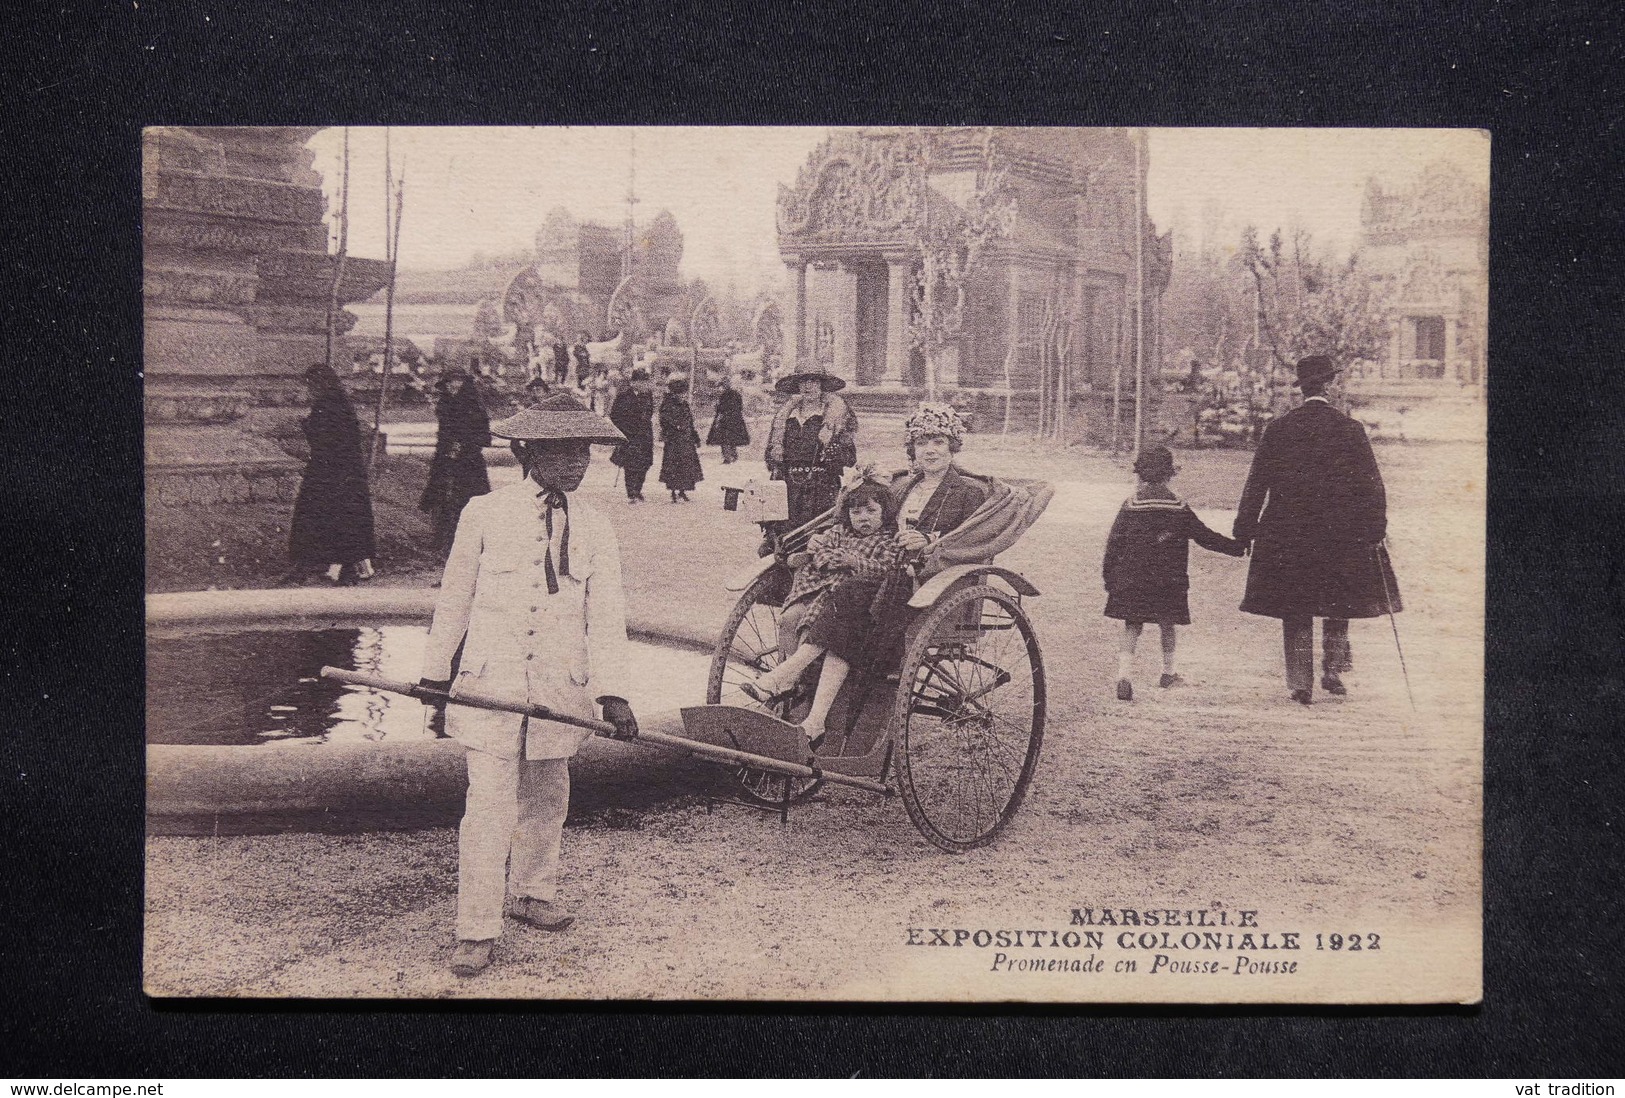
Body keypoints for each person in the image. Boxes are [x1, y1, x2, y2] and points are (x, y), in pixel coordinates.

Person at [417, 392, 641, 978]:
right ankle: (476, 928)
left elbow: (606, 616)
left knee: (548, 797)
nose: (576, 463)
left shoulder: (595, 526)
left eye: (584, 452)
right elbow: (454, 601)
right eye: (562, 452)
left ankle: (532, 893)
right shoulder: (484, 513)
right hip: (491, 684)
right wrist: (435, 678)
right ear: (529, 451)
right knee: (487, 807)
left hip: (558, 690)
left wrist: (613, 694)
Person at [1233, 354, 1402, 705]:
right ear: (1329, 385)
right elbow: (1372, 485)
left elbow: (1256, 483)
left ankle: (1300, 682)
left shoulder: (1278, 429)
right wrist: (1375, 527)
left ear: (1303, 388)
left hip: (1288, 531)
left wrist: (1245, 528)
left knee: (1296, 603)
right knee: (1339, 598)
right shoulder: (1350, 430)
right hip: (1341, 531)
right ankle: (1333, 669)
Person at [742, 477, 905, 744]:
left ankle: (787, 682)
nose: (863, 518)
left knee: (823, 622)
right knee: (790, 618)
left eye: (871, 511)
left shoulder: (888, 540)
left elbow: (887, 570)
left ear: (885, 513)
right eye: (856, 512)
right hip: (823, 587)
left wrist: (853, 561)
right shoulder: (839, 532)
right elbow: (820, 552)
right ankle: (791, 686)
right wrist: (826, 556)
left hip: (857, 599)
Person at [1102, 444, 1245, 701]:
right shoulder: (1178, 506)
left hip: (1133, 578)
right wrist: (1235, 547)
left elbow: (1114, 543)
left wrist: (1110, 577)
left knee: (1132, 625)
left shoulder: (1130, 505)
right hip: (1169, 579)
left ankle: (1124, 675)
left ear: (1140, 474)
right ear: (1169, 474)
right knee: (1167, 624)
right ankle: (1168, 673)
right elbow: (1204, 536)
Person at [289, 363, 376, 584]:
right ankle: (345, 570)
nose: (308, 390)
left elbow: (325, 439)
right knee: (345, 519)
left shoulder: (327, 405)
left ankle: (310, 566)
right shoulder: (340, 403)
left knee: (318, 516)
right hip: (344, 471)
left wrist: (306, 424)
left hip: (330, 471)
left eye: (310, 385)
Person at [764, 366, 858, 528]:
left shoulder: (835, 418)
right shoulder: (785, 418)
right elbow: (770, 457)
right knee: (785, 538)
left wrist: (832, 449)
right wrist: (776, 456)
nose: (808, 386)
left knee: (820, 536)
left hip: (822, 489)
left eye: (813, 381)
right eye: (803, 381)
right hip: (788, 489)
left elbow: (850, 458)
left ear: (822, 385)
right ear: (797, 386)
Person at [418, 370, 492, 557]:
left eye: (456, 381)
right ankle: (444, 541)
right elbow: (443, 435)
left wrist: (464, 445)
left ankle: (472, 542)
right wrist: (446, 452)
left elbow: (483, 436)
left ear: (464, 383)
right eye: (449, 382)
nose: (452, 385)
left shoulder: (473, 406)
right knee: (443, 498)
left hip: (469, 462)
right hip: (445, 459)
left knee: (469, 500)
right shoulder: (444, 405)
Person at [608, 367, 656, 504]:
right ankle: (631, 492)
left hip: (645, 435)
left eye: (646, 382)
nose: (644, 385)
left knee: (645, 464)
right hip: (630, 436)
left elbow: (649, 413)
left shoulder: (647, 396)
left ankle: (638, 489)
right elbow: (614, 416)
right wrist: (624, 429)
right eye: (642, 382)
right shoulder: (623, 396)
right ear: (634, 382)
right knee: (631, 466)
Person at [658, 377, 704, 503]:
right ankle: (673, 491)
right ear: (675, 393)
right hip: (673, 441)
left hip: (686, 440)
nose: (683, 396)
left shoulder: (684, 405)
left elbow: (690, 422)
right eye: (681, 393)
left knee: (686, 467)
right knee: (673, 467)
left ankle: (682, 491)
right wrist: (676, 426)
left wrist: (695, 437)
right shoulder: (667, 405)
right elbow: (664, 420)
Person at [706, 372, 751, 464]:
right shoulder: (736, 394)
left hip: (725, 419)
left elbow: (720, 408)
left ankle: (727, 458)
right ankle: (733, 456)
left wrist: (717, 407)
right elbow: (740, 407)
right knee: (732, 439)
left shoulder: (723, 395)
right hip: (735, 419)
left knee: (724, 439)